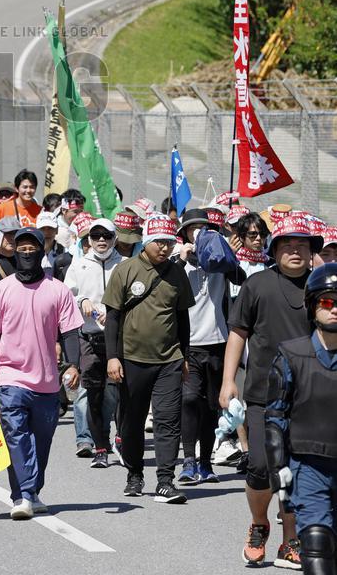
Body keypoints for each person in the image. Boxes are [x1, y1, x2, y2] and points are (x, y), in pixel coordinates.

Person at [220, 211, 324, 568]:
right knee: (261, 467)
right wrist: (228, 381)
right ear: (274, 249)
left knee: (296, 471)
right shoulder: (257, 285)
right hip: (263, 395)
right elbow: (238, 333)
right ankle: (259, 523)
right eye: (287, 245)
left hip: (310, 397)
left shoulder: (321, 287)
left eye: (302, 245)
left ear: (311, 251)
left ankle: (290, 540)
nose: (295, 251)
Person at [0, 227, 84, 519]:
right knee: (16, 435)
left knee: (41, 442)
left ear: (42, 252)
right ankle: (23, 494)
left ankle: (31, 491)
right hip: (9, 376)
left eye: (32, 249)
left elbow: (70, 331)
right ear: (15, 252)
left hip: (47, 380)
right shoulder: (0, 290)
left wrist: (73, 364)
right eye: (21, 249)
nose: (26, 254)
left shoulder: (58, 290)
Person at [104, 212, 196, 503]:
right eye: (159, 242)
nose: (164, 248)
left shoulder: (177, 273)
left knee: (168, 421)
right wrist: (112, 357)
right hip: (131, 360)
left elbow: (182, 319)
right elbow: (112, 317)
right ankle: (134, 473)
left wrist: (184, 355)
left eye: (169, 242)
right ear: (146, 241)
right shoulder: (125, 270)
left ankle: (166, 481)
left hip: (169, 360)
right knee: (131, 421)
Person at [265, 263, 337, 575]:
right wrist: (278, 468)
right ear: (312, 306)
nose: (334, 309)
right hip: (309, 467)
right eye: (327, 301)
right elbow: (275, 417)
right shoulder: (292, 355)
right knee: (318, 543)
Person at [174, 208, 247, 485]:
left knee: (210, 405)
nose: (198, 233)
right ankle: (188, 461)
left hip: (218, 342)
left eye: (204, 228)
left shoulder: (219, 259)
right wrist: (182, 259)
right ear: (184, 234)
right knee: (189, 399)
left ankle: (205, 462)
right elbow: (166, 287)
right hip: (189, 344)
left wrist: (226, 254)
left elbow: (241, 278)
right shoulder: (177, 262)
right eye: (192, 229)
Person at [64, 217, 122, 468]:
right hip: (89, 337)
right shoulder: (79, 265)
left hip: (119, 339)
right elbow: (67, 296)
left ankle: (116, 439)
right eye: (96, 235)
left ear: (114, 239)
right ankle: (97, 446)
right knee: (92, 393)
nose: (101, 240)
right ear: (88, 239)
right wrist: (82, 300)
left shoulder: (125, 264)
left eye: (106, 236)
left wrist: (115, 312)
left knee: (117, 392)